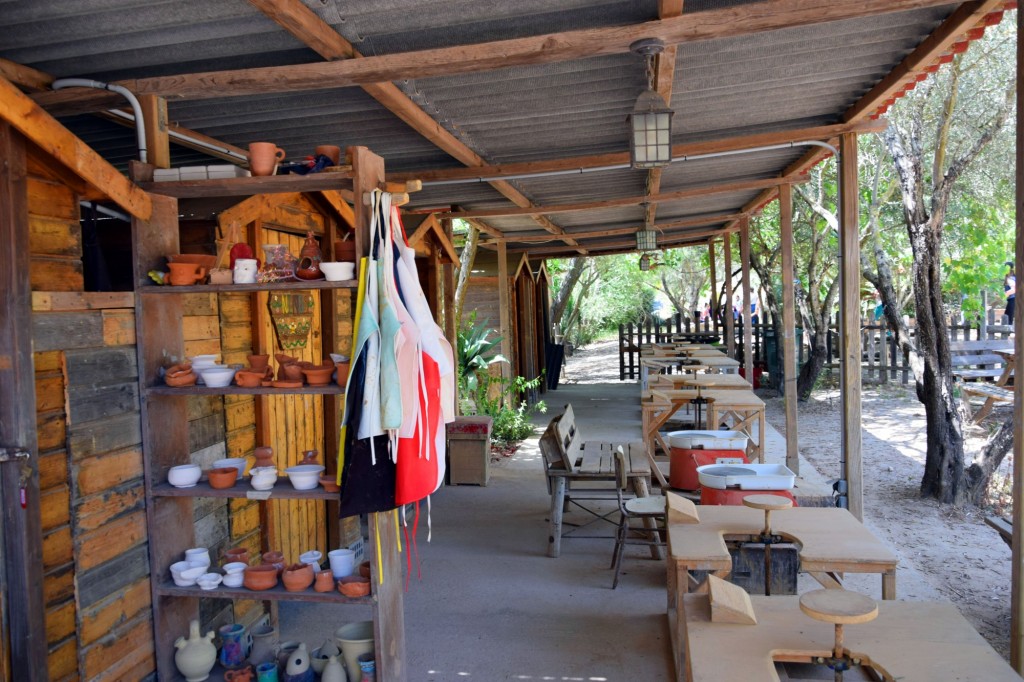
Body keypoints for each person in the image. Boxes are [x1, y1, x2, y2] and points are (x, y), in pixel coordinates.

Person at [1005, 261, 1016, 325]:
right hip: (1012, 299)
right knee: (1007, 316)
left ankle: (1007, 333)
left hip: (1013, 299)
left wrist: (1004, 294)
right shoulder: (1014, 277)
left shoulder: (1010, 278)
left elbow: (1014, 289)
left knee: (1008, 317)